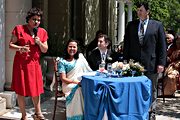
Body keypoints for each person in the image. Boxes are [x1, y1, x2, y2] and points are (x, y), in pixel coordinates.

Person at [123, 2, 167, 120]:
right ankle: (135, 112)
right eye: (137, 10)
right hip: (134, 65)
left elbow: (162, 46)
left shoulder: (157, 25)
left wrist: (161, 63)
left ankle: (151, 112)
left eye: (141, 10)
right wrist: (125, 61)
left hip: (151, 64)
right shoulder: (131, 25)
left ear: (147, 12)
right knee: (134, 88)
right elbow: (126, 44)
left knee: (151, 89)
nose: (138, 12)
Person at [9, 7, 48, 120]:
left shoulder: (42, 32)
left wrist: (39, 42)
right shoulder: (19, 29)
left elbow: (45, 49)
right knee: (21, 90)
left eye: (38, 20)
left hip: (34, 64)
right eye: (34, 19)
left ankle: (38, 113)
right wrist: (20, 48)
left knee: (36, 89)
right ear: (28, 19)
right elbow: (11, 45)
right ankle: (24, 116)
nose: (37, 22)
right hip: (21, 64)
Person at [58, 39, 92, 119]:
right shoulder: (62, 61)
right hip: (68, 85)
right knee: (78, 90)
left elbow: (88, 71)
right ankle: (75, 117)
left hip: (79, 83)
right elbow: (63, 78)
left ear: (77, 49)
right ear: (67, 48)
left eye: (74, 47)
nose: (72, 49)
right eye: (70, 47)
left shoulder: (80, 59)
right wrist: (76, 82)